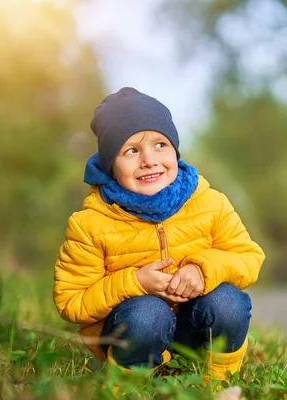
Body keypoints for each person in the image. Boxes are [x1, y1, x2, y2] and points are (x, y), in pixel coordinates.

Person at [53, 87, 265, 380]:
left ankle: (218, 382)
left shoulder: (209, 203)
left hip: (192, 332)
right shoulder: (90, 224)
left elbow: (249, 257)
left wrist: (203, 270)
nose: (149, 160)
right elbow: (71, 302)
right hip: (137, 333)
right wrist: (134, 281)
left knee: (227, 301)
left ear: (175, 150)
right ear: (110, 165)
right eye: (131, 150)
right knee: (147, 313)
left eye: (160, 145)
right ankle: (130, 382)